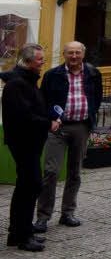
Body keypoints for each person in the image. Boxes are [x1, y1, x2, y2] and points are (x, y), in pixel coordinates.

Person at [35, 41, 102, 233]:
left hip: (81, 126)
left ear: (83, 54)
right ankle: (43, 216)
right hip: (58, 128)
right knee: (51, 172)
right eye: (70, 53)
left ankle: (67, 213)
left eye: (77, 53)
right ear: (64, 54)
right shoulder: (52, 75)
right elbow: (43, 99)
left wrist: (90, 117)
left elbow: (97, 98)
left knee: (75, 172)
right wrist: (51, 118)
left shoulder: (93, 73)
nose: (74, 57)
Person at [3, 44, 59, 252]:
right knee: (30, 185)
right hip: (23, 141)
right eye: (39, 59)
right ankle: (21, 236)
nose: (43, 62)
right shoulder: (16, 84)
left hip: (31, 141)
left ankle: (19, 232)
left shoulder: (27, 81)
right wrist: (48, 123)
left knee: (28, 186)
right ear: (27, 62)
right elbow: (24, 116)